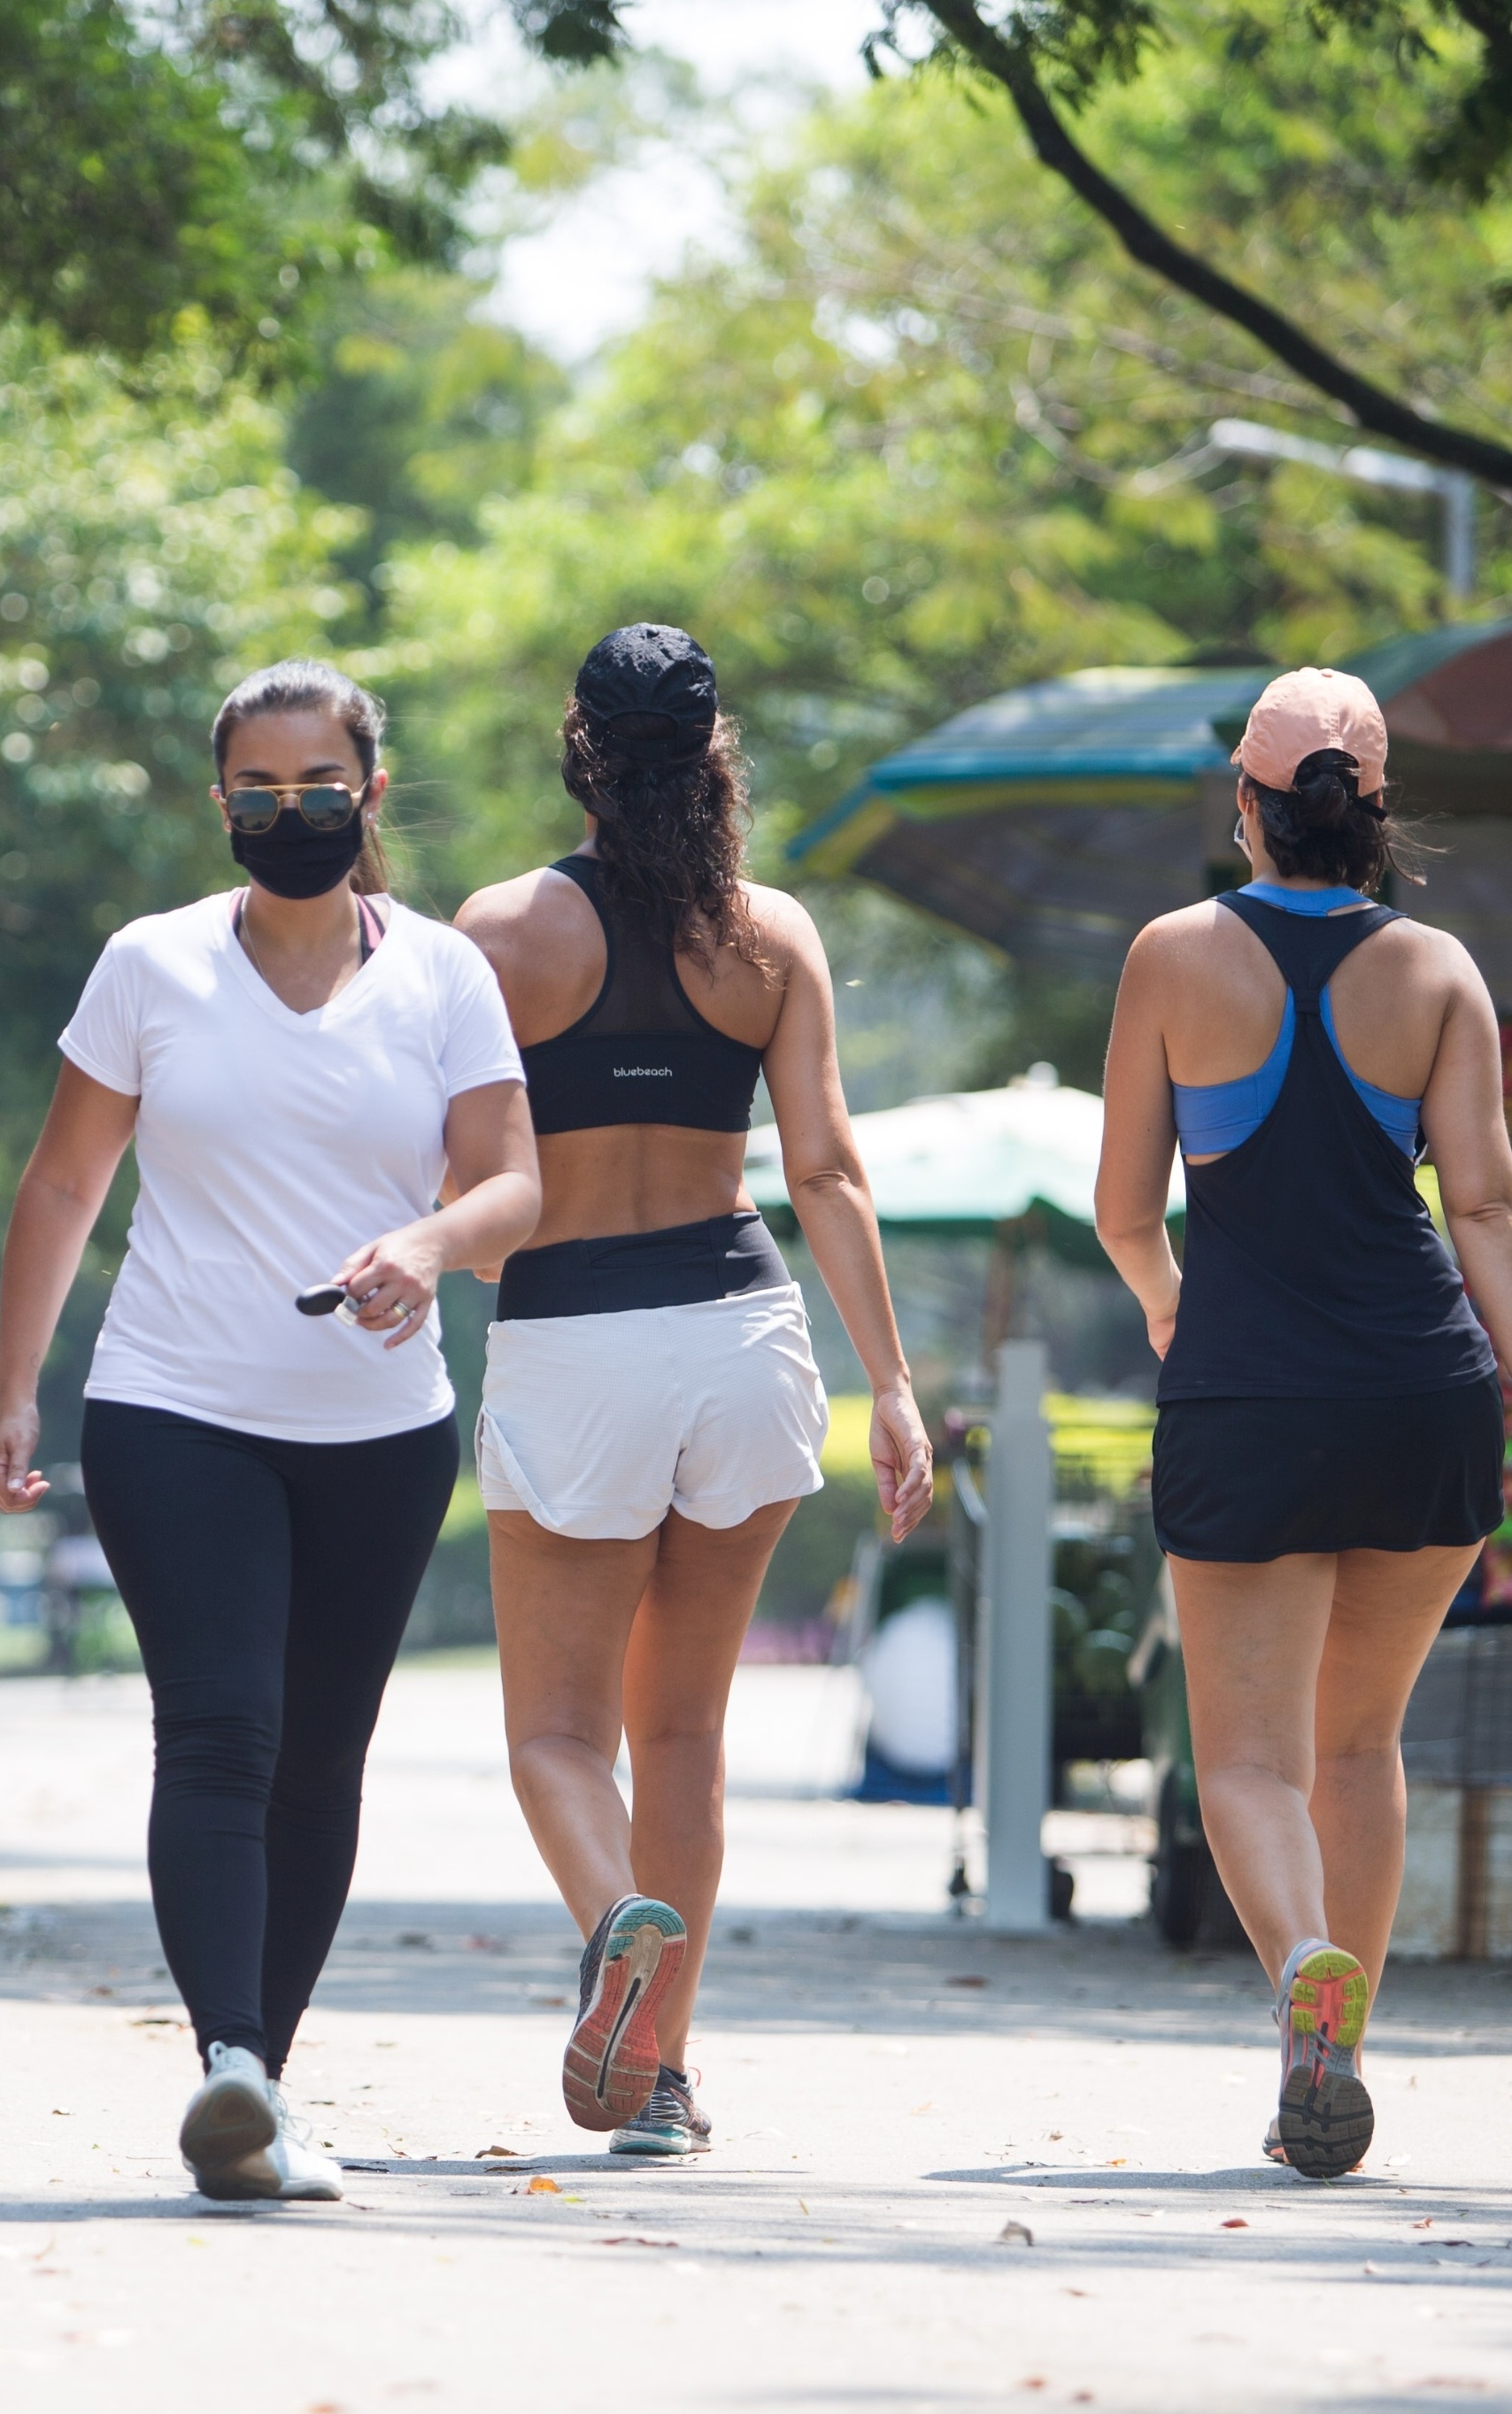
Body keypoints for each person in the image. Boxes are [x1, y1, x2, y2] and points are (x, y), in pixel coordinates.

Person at [0, 659, 541, 2205]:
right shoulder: (150, 966)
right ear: (217, 797)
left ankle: (259, 2092)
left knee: (320, 1762)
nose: (285, 811)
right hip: (176, 1404)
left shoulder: (441, 974)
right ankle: (229, 2057)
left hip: (378, 1431)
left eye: (316, 786)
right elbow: (61, 1186)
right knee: (221, 1727)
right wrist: (19, 1384)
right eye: (255, 788)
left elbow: (511, 1190)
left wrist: (422, 1249)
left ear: (368, 793)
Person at [455, 626, 935, 2156]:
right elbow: (828, 1170)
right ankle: (660, 2074)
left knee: (553, 1737)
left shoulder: (503, 933)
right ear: (715, 750)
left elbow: (465, 1184)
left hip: (577, 1337)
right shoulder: (771, 937)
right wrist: (898, 1388)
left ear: (579, 748)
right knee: (685, 1740)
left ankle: (617, 1930)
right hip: (745, 1334)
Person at [1092, 666, 1512, 2180]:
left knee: (1245, 1759)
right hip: (1420, 1395)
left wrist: (1176, 1307)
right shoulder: (1435, 970)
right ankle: (1340, 2050)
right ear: (1373, 815)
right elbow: (1486, 1204)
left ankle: (1302, 1967)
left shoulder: (1173, 957)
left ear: (1247, 801)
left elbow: (1122, 1210)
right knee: (1360, 1741)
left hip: (1246, 1395)